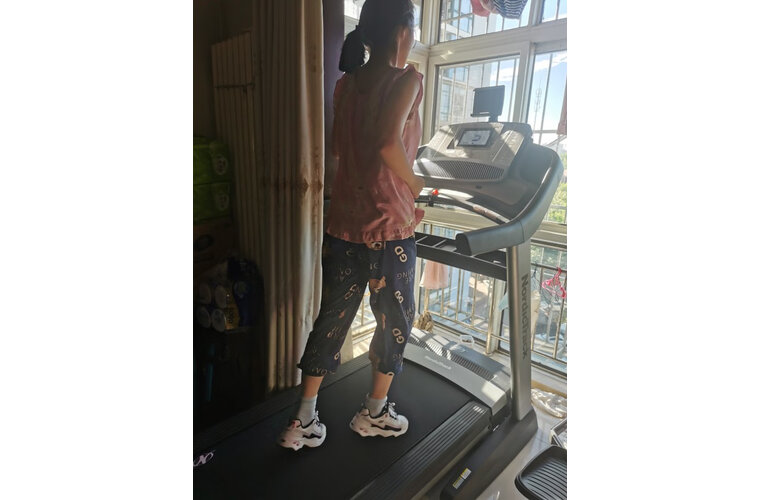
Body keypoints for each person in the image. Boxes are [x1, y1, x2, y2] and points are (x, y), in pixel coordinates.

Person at [279, 0, 425, 451]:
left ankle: (302, 420)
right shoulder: (407, 79)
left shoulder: (346, 85)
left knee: (332, 318)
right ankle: (374, 413)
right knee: (394, 322)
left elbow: (343, 153)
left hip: (343, 226)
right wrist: (415, 186)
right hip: (389, 229)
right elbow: (386, 144)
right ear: (402, 33)